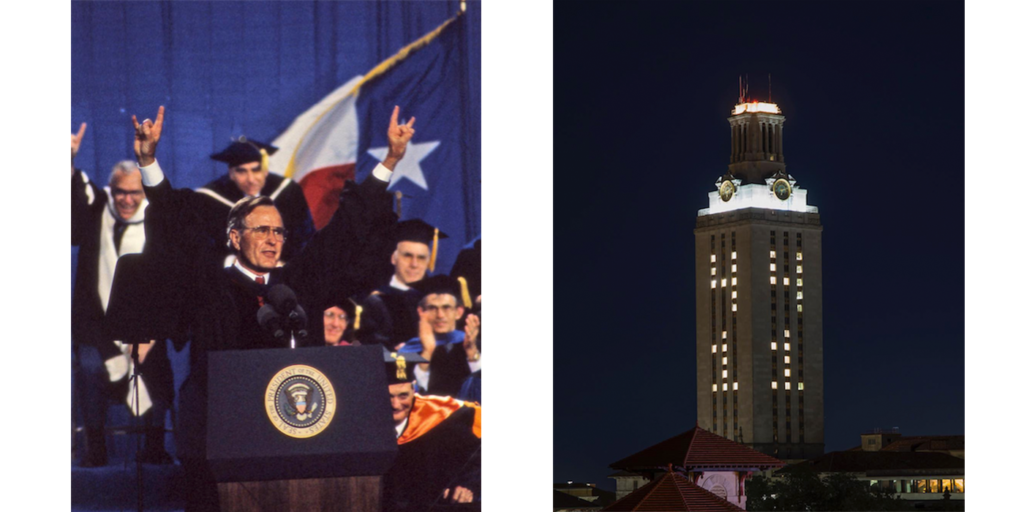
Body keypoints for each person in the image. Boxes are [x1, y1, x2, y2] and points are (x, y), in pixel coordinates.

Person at [122, 104, 414, 511]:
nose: (273, 238)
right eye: (261, 229)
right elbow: (173, 221)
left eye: (278, 230)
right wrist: (148, 162)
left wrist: (389, 161)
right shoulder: (211, 284)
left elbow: (345, 228)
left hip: (301, 439)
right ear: (234, 236)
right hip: (222, 438)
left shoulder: (299, 283)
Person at [71, 123, 172, 466]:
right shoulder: (95, 213)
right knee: (87, 367)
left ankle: (156, 447)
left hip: (144, 328)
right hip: (95, 328)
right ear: (111, 190)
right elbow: (71, 213)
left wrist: (151, 338)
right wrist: (68, 164)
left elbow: (167, 287)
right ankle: (95, 447)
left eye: (135, 193)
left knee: (157, 367)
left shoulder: (158, 223)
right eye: (120, 193)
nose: (127, 200)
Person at [381, 350, 481, 511]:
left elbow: (480, 452)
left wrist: (467, 484)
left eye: (403, 396)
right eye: (388, 396)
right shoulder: (364, 425)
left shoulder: (442, 415)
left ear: (414, 391)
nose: (396, 404)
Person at [195, 136, 315, 268]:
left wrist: (285, 265)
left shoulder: (288, 192)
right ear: (231, 174)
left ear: (265, 171)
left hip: (283, 270)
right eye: (241, 171)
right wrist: (233, 263)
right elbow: (202, 247)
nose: (251, 179)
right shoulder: (209, 199)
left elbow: (305, 237)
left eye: (256, 169)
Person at [370, 219, 449, 349]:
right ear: (394, 258)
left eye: (421, 258)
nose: (414, 264)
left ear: (428, 261)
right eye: (407, 256)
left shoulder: (438, 299)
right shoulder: (375, 299)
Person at [398, 275, 479, 397]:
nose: (440, 315)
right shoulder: (407, 352)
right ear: (421, 312)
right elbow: (407, 396)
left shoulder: (474, 344)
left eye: (446, 308)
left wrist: (472, 352)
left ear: (458, 312)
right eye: (432, 308)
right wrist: (427, 352)